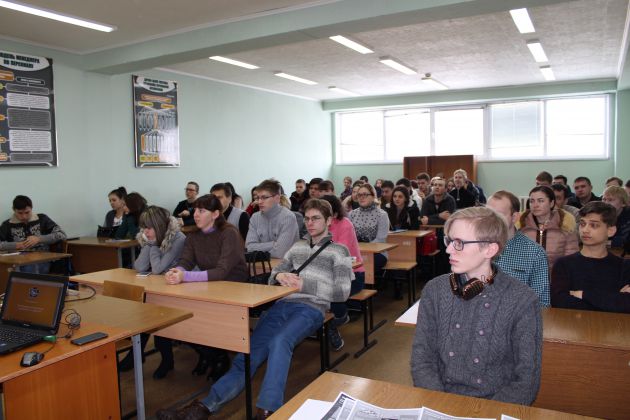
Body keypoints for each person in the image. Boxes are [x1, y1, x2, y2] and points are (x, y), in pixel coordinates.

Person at [157, 199, 352, 420]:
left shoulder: (339, 251)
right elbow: (272, 276)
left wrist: (303, 285)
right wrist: (280, 275)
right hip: (282, 305)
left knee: (280, 342)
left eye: (316, 218)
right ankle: (203, 408)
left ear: (329, 220)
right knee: (247, 355)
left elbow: (342, 292)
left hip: (311, 308)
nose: (310, 223)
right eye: (307, 218)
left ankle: (267, 410)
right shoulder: (297, 247)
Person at [411, 207, 542, 406]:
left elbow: (526, 380)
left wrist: (485, 413)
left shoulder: (522, 300)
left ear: (490, 249)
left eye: (459, 243)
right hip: (440, 401)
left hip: (493, 407)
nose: (448, 250)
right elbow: (422, 358)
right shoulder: (435, 290)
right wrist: (439, 405)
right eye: (449, 241)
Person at [165, 194, 248, 379]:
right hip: (210, 285)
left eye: (201, 211)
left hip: (233, 287)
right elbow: (186, 261)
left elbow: (222, 271)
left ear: (216, 214)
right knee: (182, 315)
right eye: (195, 210)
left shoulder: (229, 233)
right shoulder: (193, 235)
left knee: (204, 318)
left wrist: (185, 276)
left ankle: (219, 357)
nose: (195, 214)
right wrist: (176, 271)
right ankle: (206, 353)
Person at [120, 206, 187, 378]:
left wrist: (153, 244)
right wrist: (150, 243)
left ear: (159, 226)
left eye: (148, 228)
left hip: (183, 290)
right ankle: (141, 354)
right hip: (162, 287)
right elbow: (139, 266)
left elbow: (157, 268)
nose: (145, 232)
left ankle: (164, 359)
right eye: (143, 228)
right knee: (145, 313)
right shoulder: (153, 238)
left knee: (155, 315)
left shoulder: (178, 238)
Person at [551, 201, 630, 313]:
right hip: (571, 323)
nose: (585, 230)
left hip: (614, 324)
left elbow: (626, 304)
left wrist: (582, 294)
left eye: (594, 225)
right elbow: (560, 302)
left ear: (610, 231)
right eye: (582, 224)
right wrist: (612, 299)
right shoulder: (564, 264)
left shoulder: (624, 266)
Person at [487, 191, 550, 307]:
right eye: (488, 214)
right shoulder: (475, 246)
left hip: (517, 315)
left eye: (498, 215)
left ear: (514, 217)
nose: (491, 220)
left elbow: (541, 302)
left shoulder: (534, 253)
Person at [321, 195, 364, 350]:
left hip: (353, 275)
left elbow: (340, 253)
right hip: (327, 274)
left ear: (334, 212)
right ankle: (326, 324)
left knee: (332, 293)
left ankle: (338, 319)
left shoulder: (345, 224)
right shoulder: (318, 226)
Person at [516, 186, 579, 271]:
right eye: (532, 201)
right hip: (525, 276)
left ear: (551, 203)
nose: (535, 205)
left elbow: (571, 260)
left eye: (541, 201)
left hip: (556, 276)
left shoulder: (565, 226)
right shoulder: (520, 226)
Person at [0, 195, 67, 274]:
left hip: (42, 258)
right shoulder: (7, 225)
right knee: (17, 268)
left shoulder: (42, 219)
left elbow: (62, 235)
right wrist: (15, 245)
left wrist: (39, 239)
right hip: (19, 260)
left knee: (30, 266)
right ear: (14, 210)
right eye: (20, 213)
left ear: (31, 208)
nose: (24, 216)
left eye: (27, 212)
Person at [246, 179, 300, 258]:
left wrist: (258, 249)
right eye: (258, 198)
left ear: (277, 198)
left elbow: (280, 253)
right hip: (260, 264)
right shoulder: (255, 217)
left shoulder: (288, 217)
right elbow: (249, 247)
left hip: (286, 265)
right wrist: (273, 244)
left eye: (264, 197)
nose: (259, 202)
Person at [349, 183, 389, 274]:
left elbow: (380, 239)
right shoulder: (352, 214)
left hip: (377, 253)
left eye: (365, 195)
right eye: (359, 195)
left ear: (373, 196)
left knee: (365, 262)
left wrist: (362, 249)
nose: (361, 197)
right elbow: (349, 237)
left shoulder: (382, 215)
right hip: (356, 252)